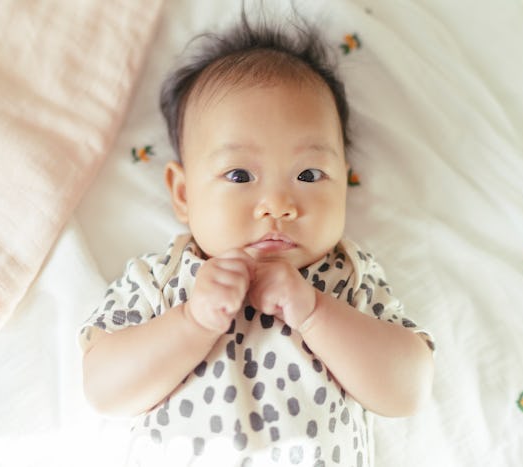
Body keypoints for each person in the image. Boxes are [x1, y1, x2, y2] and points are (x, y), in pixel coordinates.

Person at [79, 10, 435, 467]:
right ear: (185, 194)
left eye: (309, 174)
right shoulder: (164, 277)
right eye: (240, 174)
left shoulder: (348, 277)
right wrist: (192, 321)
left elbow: (408, 390)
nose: (278, 205)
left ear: (343, 184)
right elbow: (104, 389)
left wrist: (315, 312)